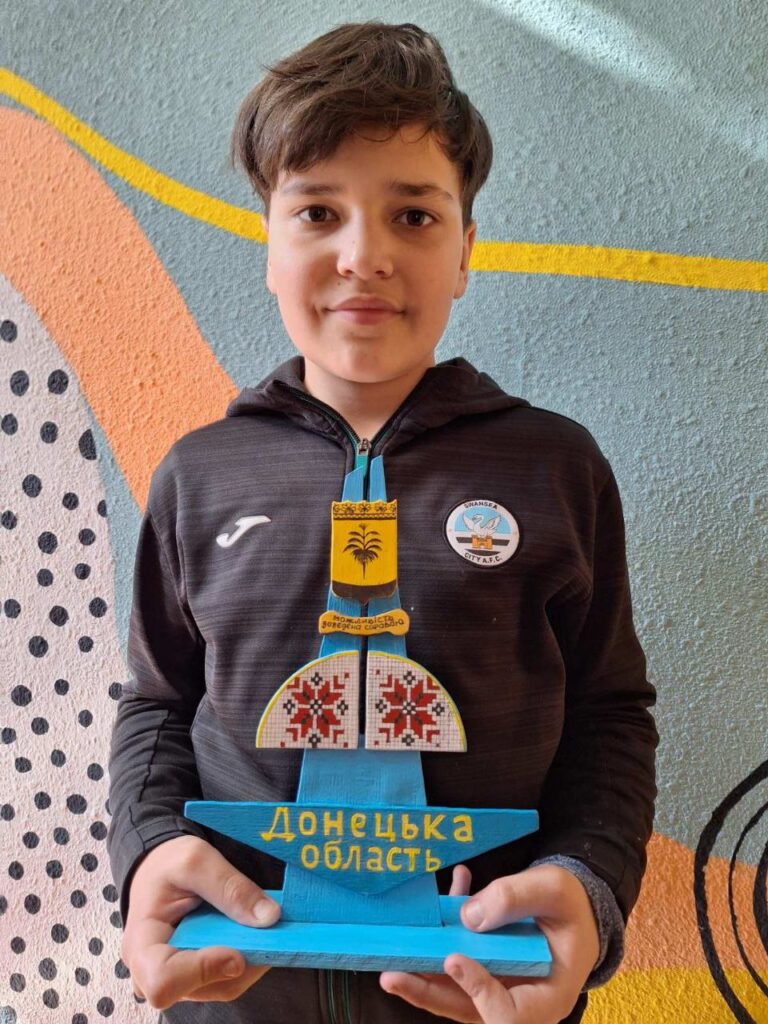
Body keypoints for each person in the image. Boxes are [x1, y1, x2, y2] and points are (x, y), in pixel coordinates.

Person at [107, 20, 657, 1024]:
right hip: (235, 997)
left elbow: (610, 712)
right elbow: (155, 704)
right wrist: (149, 853)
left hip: (487, 995)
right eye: (318, 211)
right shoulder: (200, 474)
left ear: (465, 250)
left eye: (412, 215)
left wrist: (591, 880)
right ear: (269, 242)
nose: (364, 256)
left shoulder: (555, 468)